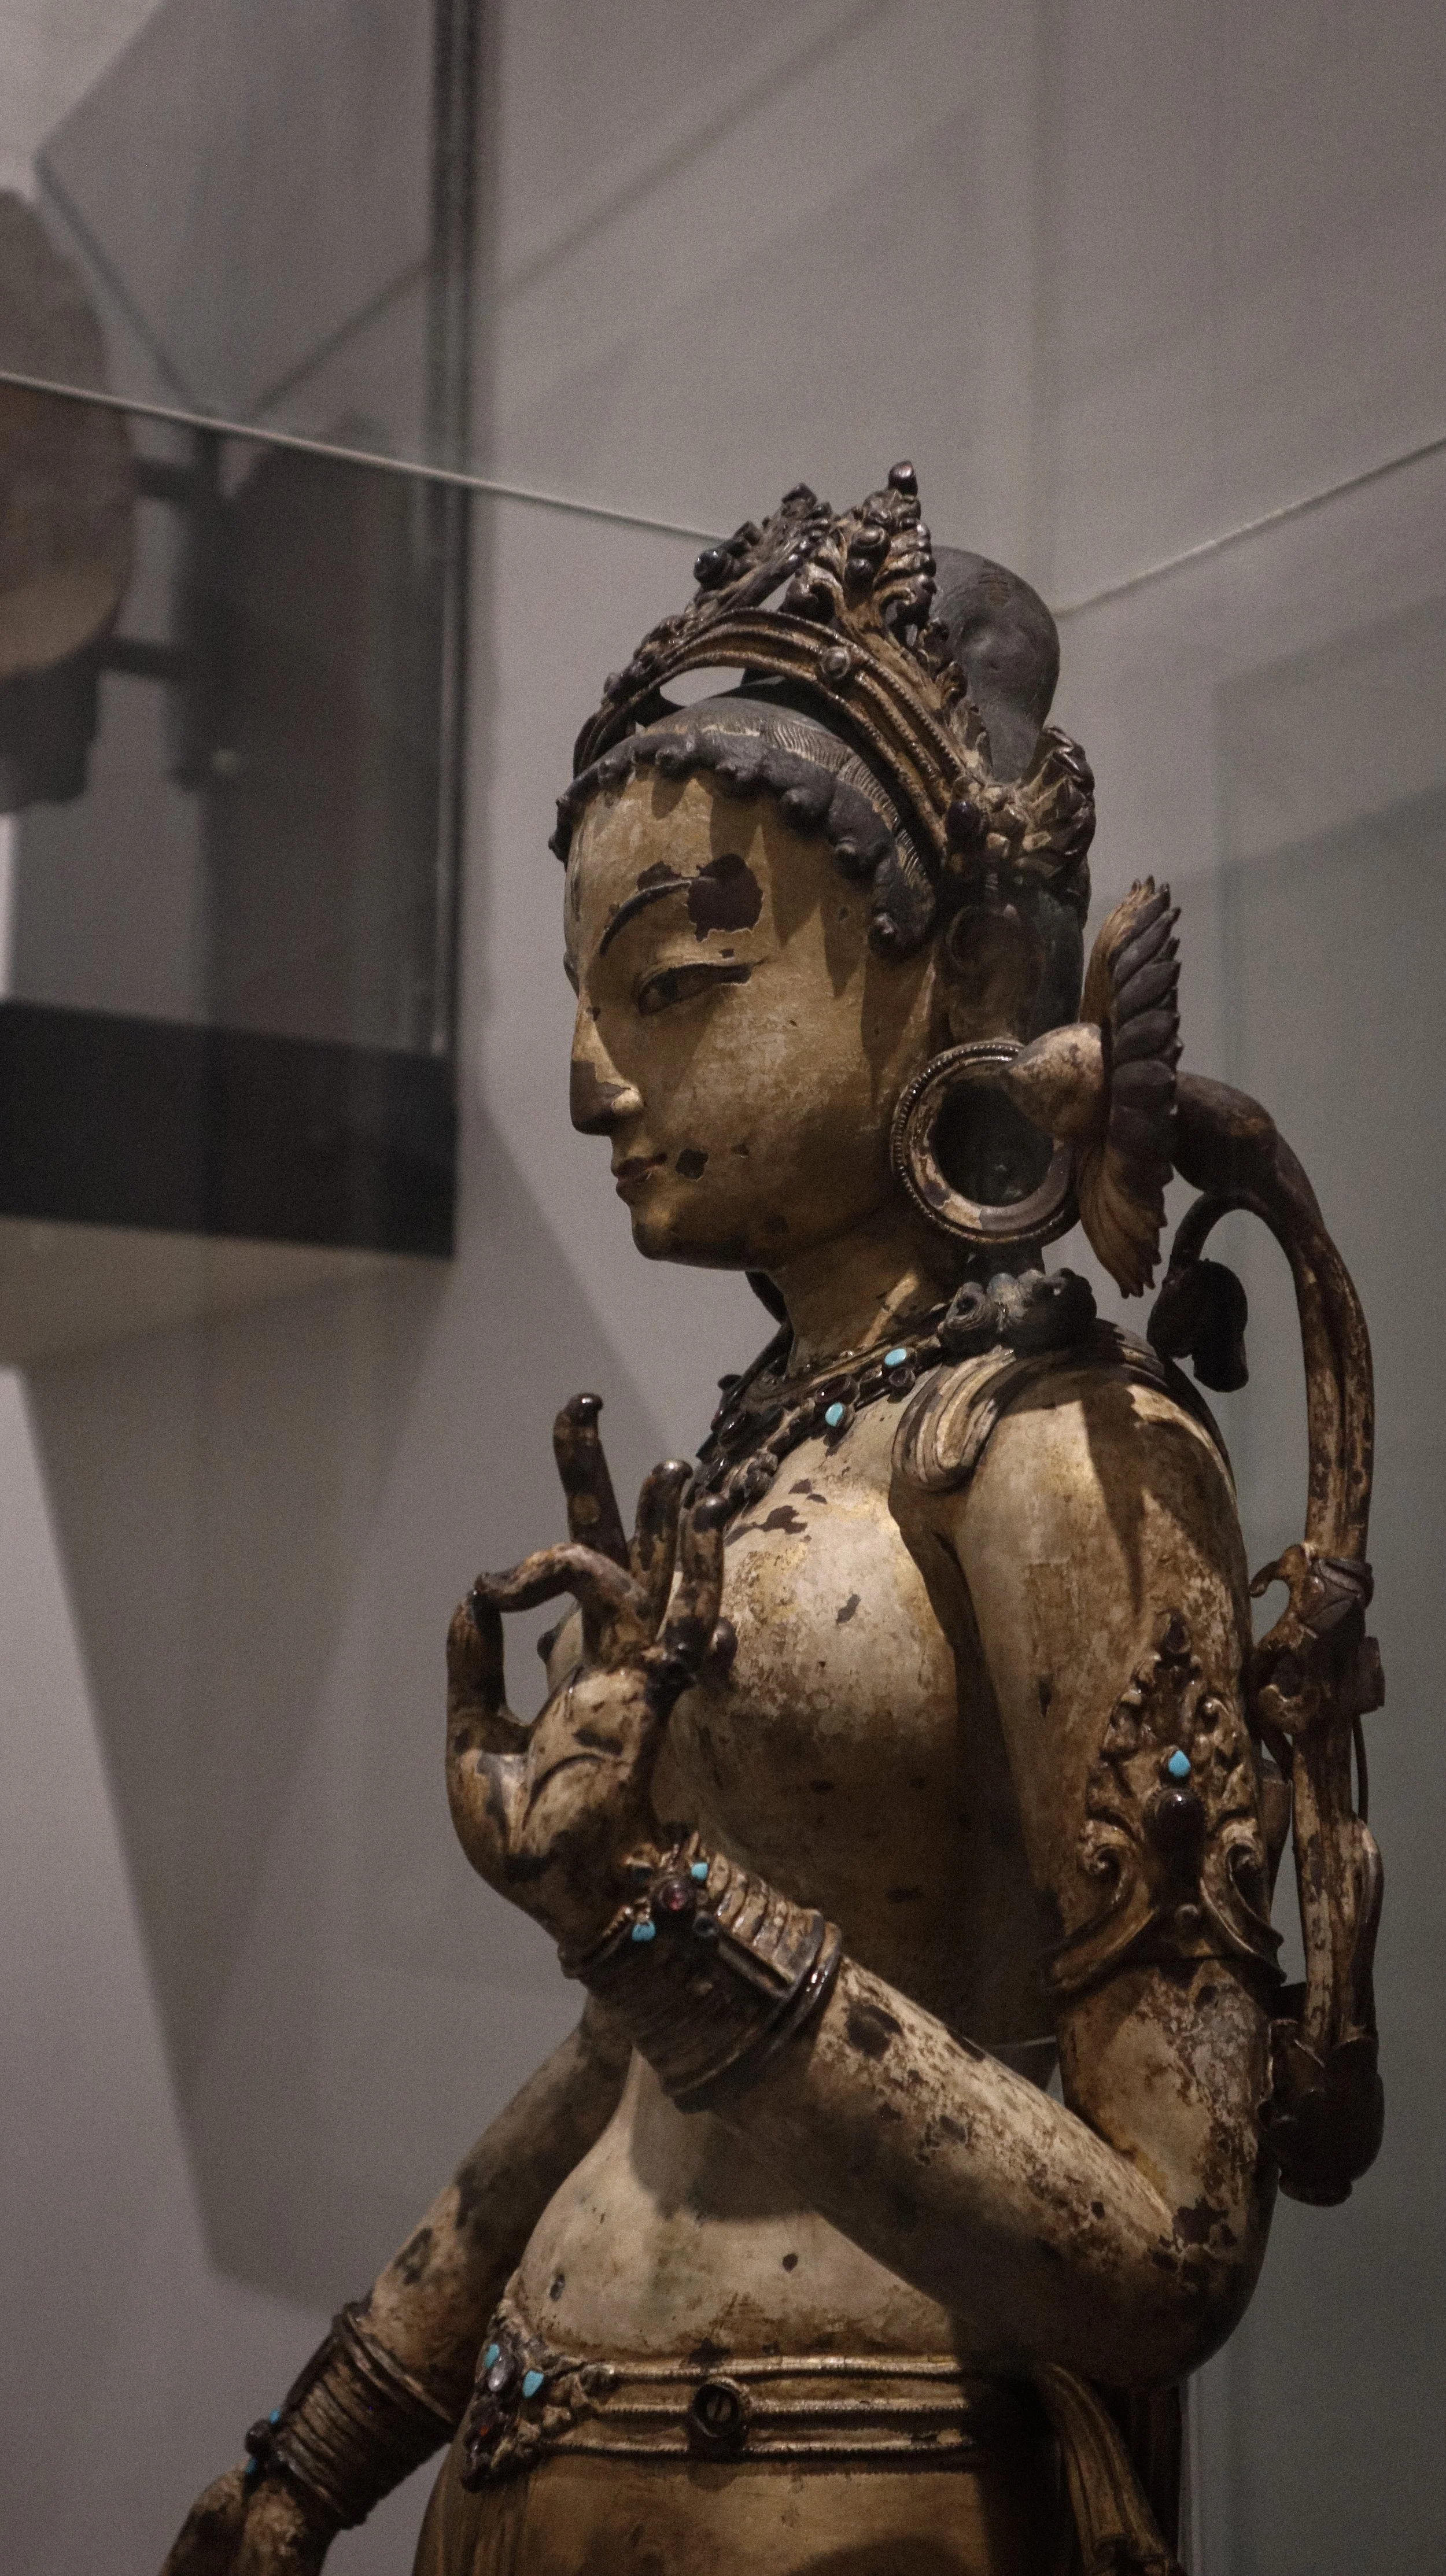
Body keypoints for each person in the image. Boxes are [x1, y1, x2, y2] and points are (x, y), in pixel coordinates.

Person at [163, 467, 1381, 2576]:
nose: (585, 1080)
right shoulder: (750, 1454)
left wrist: (662, 1911)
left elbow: (1170, 2247)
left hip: (866, 2503)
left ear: (957, 974)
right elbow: (636, 2045)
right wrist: (321, 2451)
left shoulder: (1055, 1459)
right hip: (551, 2474)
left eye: (672, 983)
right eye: (584, 993)